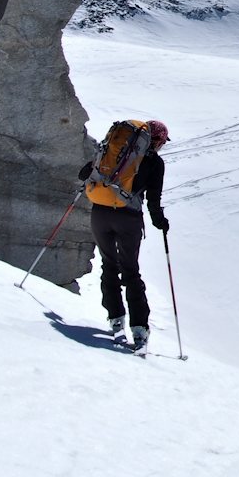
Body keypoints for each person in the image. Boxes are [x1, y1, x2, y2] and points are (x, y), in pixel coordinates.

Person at [78, 119, 171, 350]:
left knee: (109, 265)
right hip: (127, 218)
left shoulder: (114, 151)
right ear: (156, 141)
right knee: (130, 270)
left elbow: (84, 174)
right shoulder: (154, 163)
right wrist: (161, 222)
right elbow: (153, 200)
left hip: (99, 213)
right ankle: (139, 329)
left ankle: (115, 319)